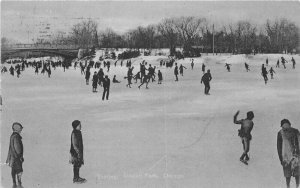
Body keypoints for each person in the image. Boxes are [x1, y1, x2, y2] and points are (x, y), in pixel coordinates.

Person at [277, 119, 300, 188]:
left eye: (287, 125)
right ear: (282, 126)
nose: (286, 127)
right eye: (284, 126)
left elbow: (299, 142)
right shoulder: (280, 133)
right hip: (285, 157)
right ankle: (288, 186)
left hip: (296, 155)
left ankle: (297, 186)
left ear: (290, 124)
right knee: (287, 174)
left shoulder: (296, 131)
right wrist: (281, 159)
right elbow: (279, 147)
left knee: (297, 173)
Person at [6, 122, 24, 188]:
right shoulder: (16, 136)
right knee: (19, 170)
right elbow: (17, 148)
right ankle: (19, 183)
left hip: (13, 157)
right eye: (20, 129)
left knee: (14, 170)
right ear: (18, 129)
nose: (21, 130)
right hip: (17, 157)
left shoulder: (13, 136)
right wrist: (20, 157)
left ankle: (14, 183)